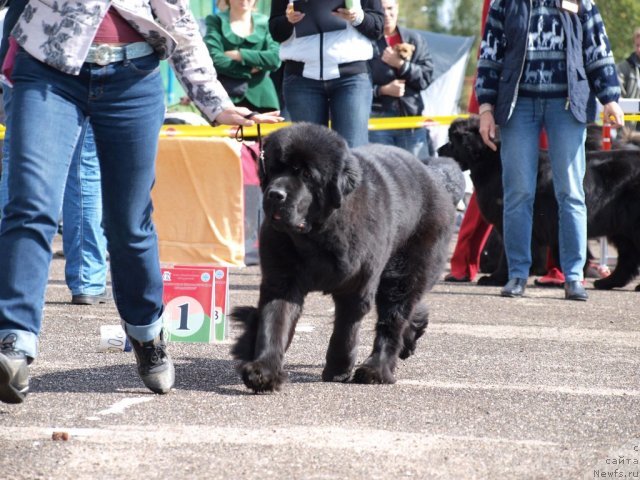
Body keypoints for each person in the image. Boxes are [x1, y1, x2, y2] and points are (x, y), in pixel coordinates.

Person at [0, 1, 281, 405]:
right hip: (47, 69)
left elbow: (178, 21)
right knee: (30, 206)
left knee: (129, 223)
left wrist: (216, 103)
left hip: (133, 76)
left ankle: (147, 332)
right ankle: (14, 342)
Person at [475, 0, 624, 301]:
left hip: (567, 105)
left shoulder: (582, 2)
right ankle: (517, 274)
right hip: (517, 105)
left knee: (571, 192)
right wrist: (486, 107)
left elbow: (597, 45)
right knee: (517, 192)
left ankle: (573, 276)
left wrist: (610, 97)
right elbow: (490, 53)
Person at [0, 1, 109, 306]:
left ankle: (9, 278)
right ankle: (87, 279)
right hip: (94, 52)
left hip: (28, 51)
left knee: (18, 163)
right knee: (84, 167)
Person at [269, 0, 384, 148]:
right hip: (301, 79)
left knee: (353, 151)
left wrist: (357, 17)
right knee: (309, 154)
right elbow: (275, 31)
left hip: (351, 78)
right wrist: (288, 21)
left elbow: (378, 27)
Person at [368, 0, 434, 160]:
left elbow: (426, 77)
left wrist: (401, 66)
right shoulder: (366, 41)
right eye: (382, 9)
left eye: (390, 8)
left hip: (412, 119)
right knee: (382, 179)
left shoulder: (414, 39)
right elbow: (356, 84)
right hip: (378, 121)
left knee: (419, 177)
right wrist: (382, 90)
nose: (386, 14)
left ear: (397, 8)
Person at [204, 0, 281, 113]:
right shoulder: (216, 21)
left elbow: (275, 59)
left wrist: (240, 55)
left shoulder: (266, 22)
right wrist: (250, 68)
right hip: (224, 98)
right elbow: (214, 58)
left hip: (263, 99)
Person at [616, 27, 640, 131]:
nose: (639, 49)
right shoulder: (623, 67)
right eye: (638, 45)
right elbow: (617, 94)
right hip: (628, 131)